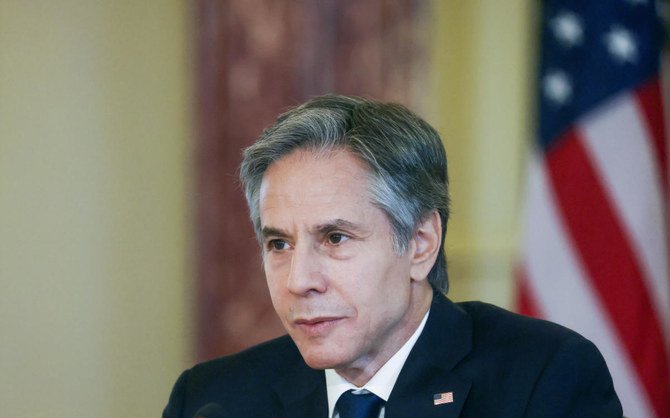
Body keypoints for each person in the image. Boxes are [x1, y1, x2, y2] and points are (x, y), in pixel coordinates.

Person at [163, 95, 622, 417]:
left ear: (420, 243)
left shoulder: (543, 380)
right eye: (279, 244)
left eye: (335, 238)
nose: (299, 280)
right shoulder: (212, 400)